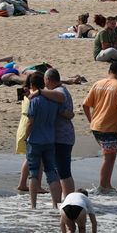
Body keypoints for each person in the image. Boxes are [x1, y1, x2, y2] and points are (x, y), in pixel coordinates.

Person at [82, 61, 117, 193]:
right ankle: (103, 186)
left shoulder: (98, 84)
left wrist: (91, 120)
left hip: (96, 126)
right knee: (109, 157)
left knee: (109, 155)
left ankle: (107, 184)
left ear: (109, 71)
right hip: (109, 127)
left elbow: (85, 105)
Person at [24, 72, 62, 209]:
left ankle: (33, 205)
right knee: (51, 171)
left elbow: (30, 122)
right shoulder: (53, 100)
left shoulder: (34, 101)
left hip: (35, 139)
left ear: (32, 85)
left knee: (33, 172)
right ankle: (55, 205)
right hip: (50, 138)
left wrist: (25, 137)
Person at [45, 68, 77, 198]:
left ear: (48, 80)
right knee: (61, 169)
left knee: (64, 171)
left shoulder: (59, 92)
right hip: (65, 135)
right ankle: (66, 198)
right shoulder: (62, 89)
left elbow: (65, 112)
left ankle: (70, 199)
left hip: (62, 137)